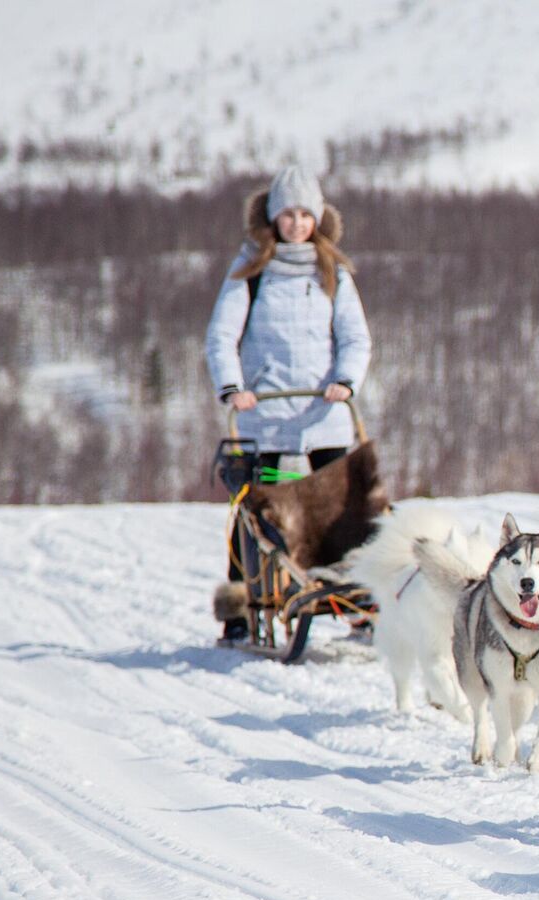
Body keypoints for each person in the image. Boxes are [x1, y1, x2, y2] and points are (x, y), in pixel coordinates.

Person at [206, 166, 371, 641]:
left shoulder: (332, 270)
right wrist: (234, 388)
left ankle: (354, 601)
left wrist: (345, 380)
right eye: (288, 214)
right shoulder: (250, 272)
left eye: (305, 214)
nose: (297, 223)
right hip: (268, 413)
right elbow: (221, 338)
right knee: (258, 512)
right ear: (272, 217)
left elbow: (355, 337)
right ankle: (241, 609)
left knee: (342, 510)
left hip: (325, 412)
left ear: (318, 218)